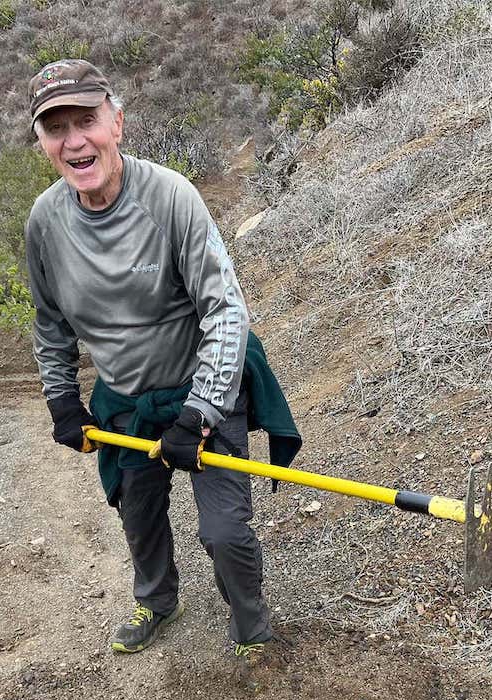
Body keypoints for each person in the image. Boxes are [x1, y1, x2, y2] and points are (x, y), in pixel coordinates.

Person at [24, 60, 301, 662]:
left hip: (202, 387)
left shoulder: (172, 197)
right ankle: (156, 599)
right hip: (123, 401)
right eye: (56, 127)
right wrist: (61, 399)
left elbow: (226, 313)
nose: (75, 141)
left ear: (116, 123)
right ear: (42, 142)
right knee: (138, 512)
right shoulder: (45, 223)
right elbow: (50, 324)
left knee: (224, 532)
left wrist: (198, 415)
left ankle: (250, 624)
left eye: (86, 121)